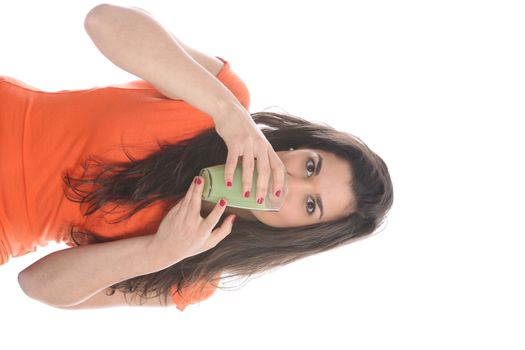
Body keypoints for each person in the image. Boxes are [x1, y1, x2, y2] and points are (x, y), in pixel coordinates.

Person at [0, 4, 393, 311]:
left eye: (310, 205)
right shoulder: (223, 101)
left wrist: (158, 253)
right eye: (311, 166)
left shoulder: (193, 276)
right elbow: (103, 21)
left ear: (301, 233)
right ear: (297, 147)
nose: (290, 183)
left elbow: (37, 286)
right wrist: (226, 113)